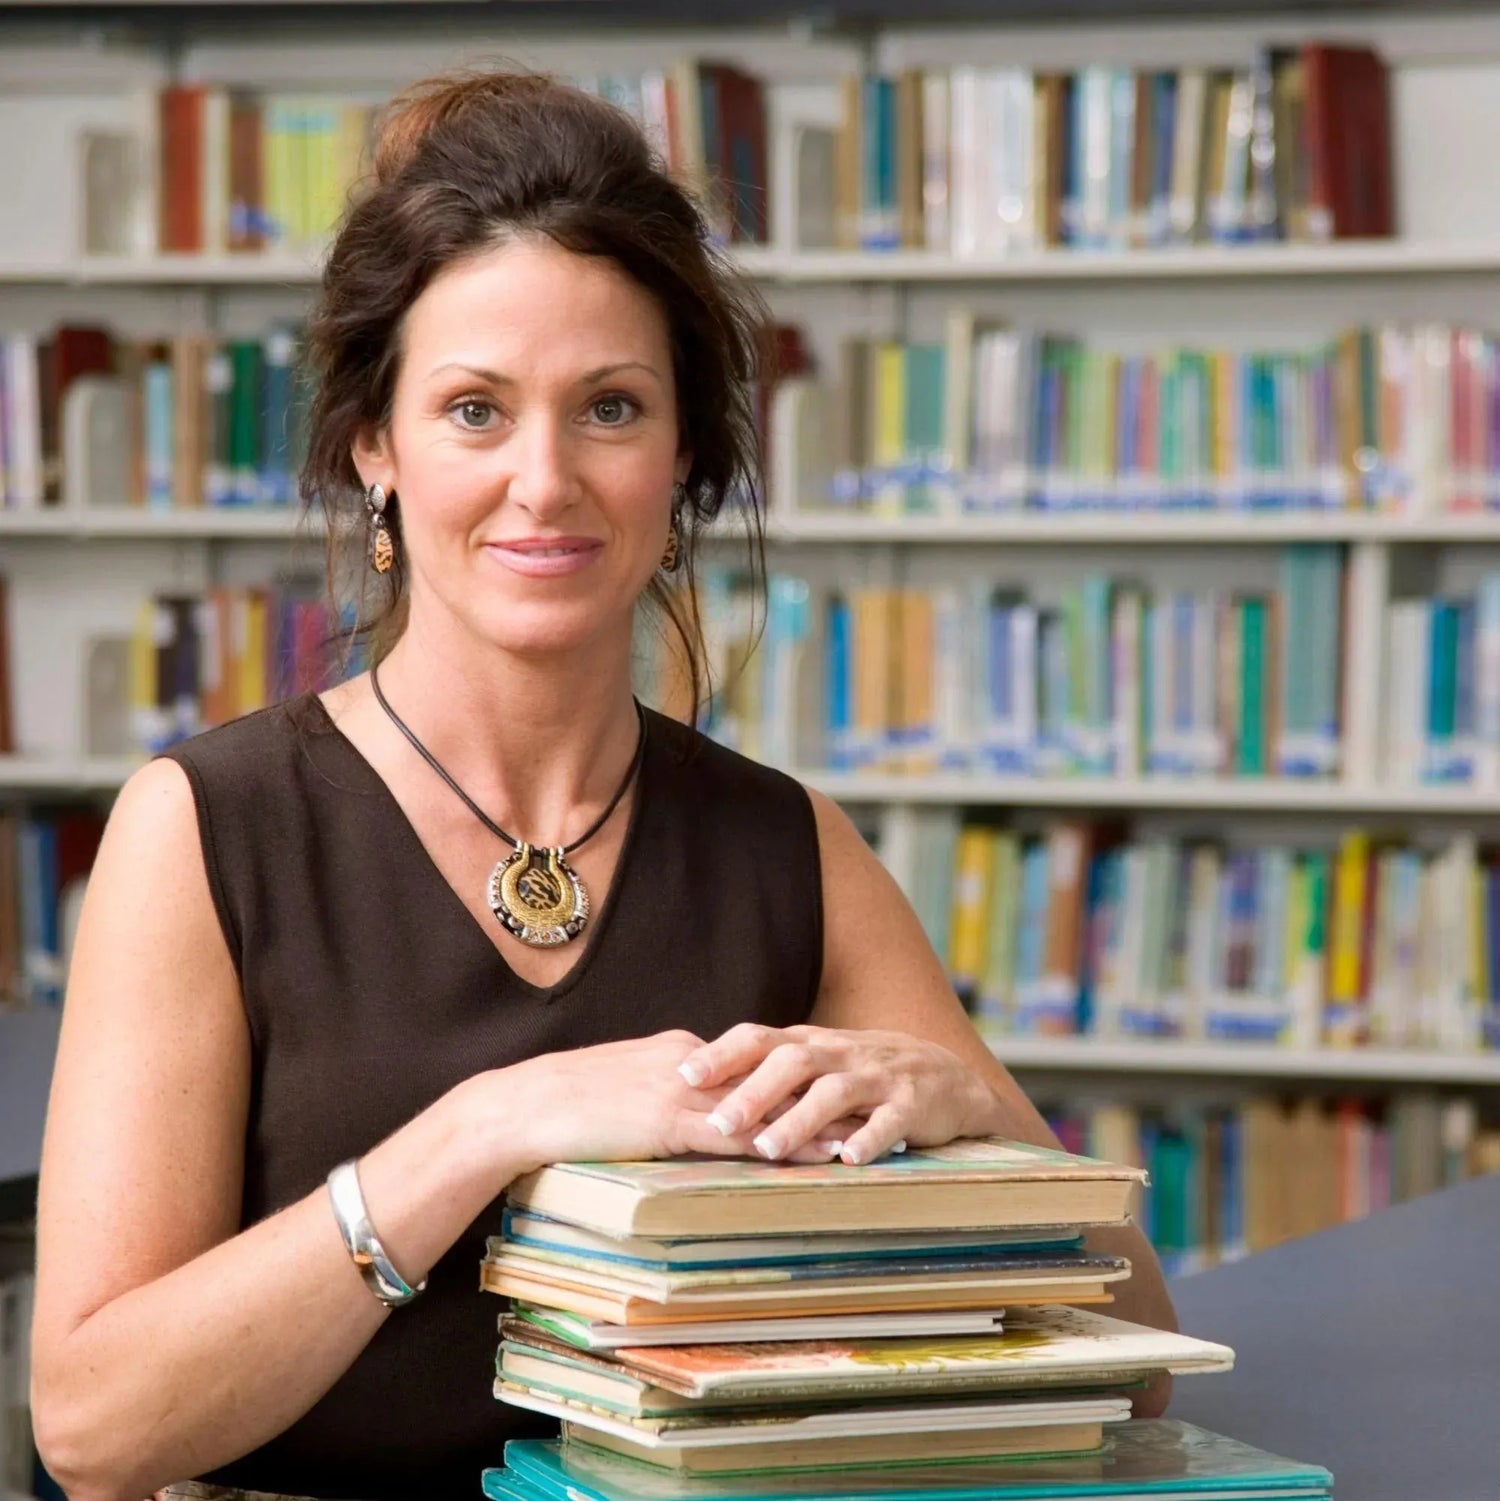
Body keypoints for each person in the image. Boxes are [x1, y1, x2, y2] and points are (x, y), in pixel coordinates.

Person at [28, 68, 1176, 1501]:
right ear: (374, 449)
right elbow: (90, 1425)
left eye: (611, 408)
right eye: (474, 410)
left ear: (687, 455)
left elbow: (1135, 1356)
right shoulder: (207, 831)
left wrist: (971, 1103)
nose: (544, 478)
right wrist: (481, 1129)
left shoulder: (788, 844)